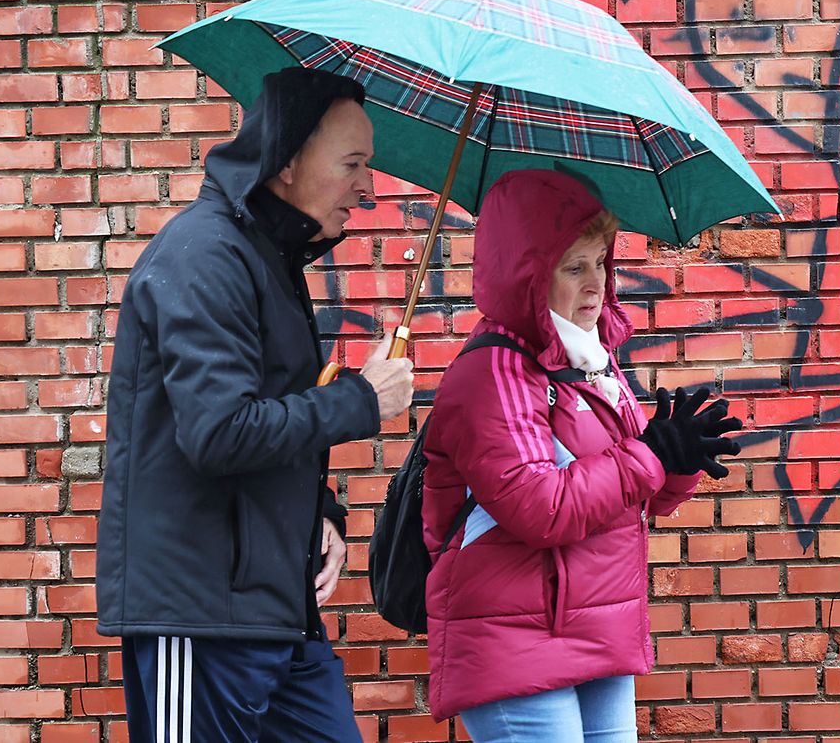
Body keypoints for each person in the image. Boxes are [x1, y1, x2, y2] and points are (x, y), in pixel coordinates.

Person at [96, 66, 415, 742]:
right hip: (203, 616)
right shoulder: (203, 257)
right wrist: (362, 397)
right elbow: (220, 432)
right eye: (353, 162)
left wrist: (318, 514)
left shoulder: (270, 258)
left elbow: (270, 418)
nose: (368, 186)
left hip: (276, 612)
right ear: (290, 160)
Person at [421, 168, 742, 741]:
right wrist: (650, 454)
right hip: (515, 640)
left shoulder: (589, 359)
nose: (596, 285)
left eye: (600, 262)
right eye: (573, 268)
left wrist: (678, 461)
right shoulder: (492, 372)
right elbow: (540, 508)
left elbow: (631, 497)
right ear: (526, 277)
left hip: (599, 627)